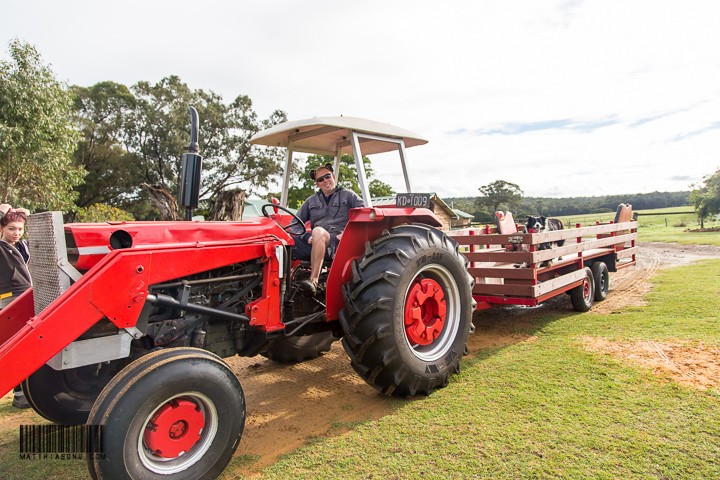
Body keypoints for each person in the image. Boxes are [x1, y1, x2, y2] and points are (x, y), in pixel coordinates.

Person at [293, 163, 364, 295]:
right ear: (317, 184)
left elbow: (364, 213)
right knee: (282, 243)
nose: (325, 181)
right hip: (317, 241)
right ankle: (285, 283)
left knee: (318, 231)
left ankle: (313, 281)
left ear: (333, 176)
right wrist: (306, 237)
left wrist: (348, 233)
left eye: (327, 176)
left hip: (338, 242)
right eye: (321, 179)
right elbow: (294, 224)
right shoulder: (311, 201)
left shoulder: (348, 195)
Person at [0, 205, 32, 408]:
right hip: (9, 297)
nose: (16, 233)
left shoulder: (23, 246)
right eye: (12, 228)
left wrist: (22, 214)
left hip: (26, 295)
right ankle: (19, 394)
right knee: (14, 344)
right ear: (2, 228)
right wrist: (3, 212)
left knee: (25, 343)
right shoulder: (1, 248)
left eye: (19, 229)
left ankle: (23, 392)